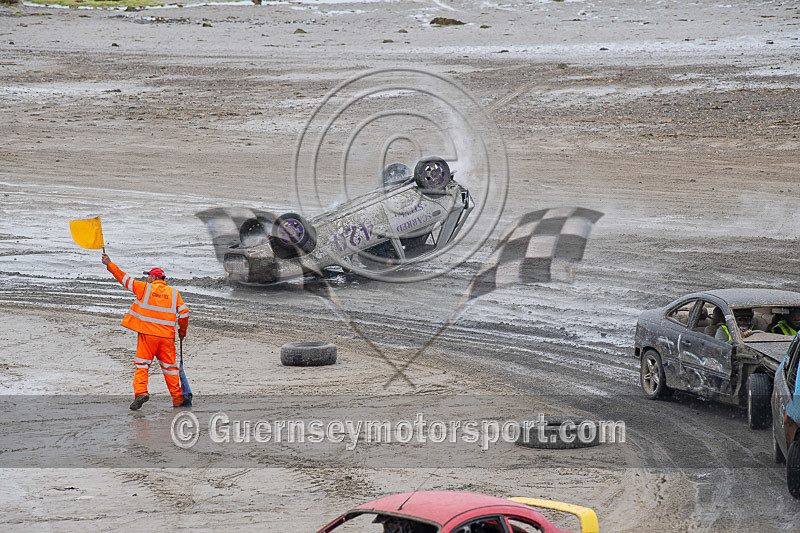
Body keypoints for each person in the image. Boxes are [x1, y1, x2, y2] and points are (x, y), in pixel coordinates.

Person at [102, 253, 190, 410]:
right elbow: (184, 313)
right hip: (167, 338)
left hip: (147, 336)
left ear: (153, 278)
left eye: (148, 276)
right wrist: (182, 332)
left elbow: (123, 278)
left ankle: (141, 392)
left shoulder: (145, 289)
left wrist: (109, 264)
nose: (146, 278)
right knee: (170, 369)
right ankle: (177, 398)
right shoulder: (174, 293)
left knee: (142, 365)